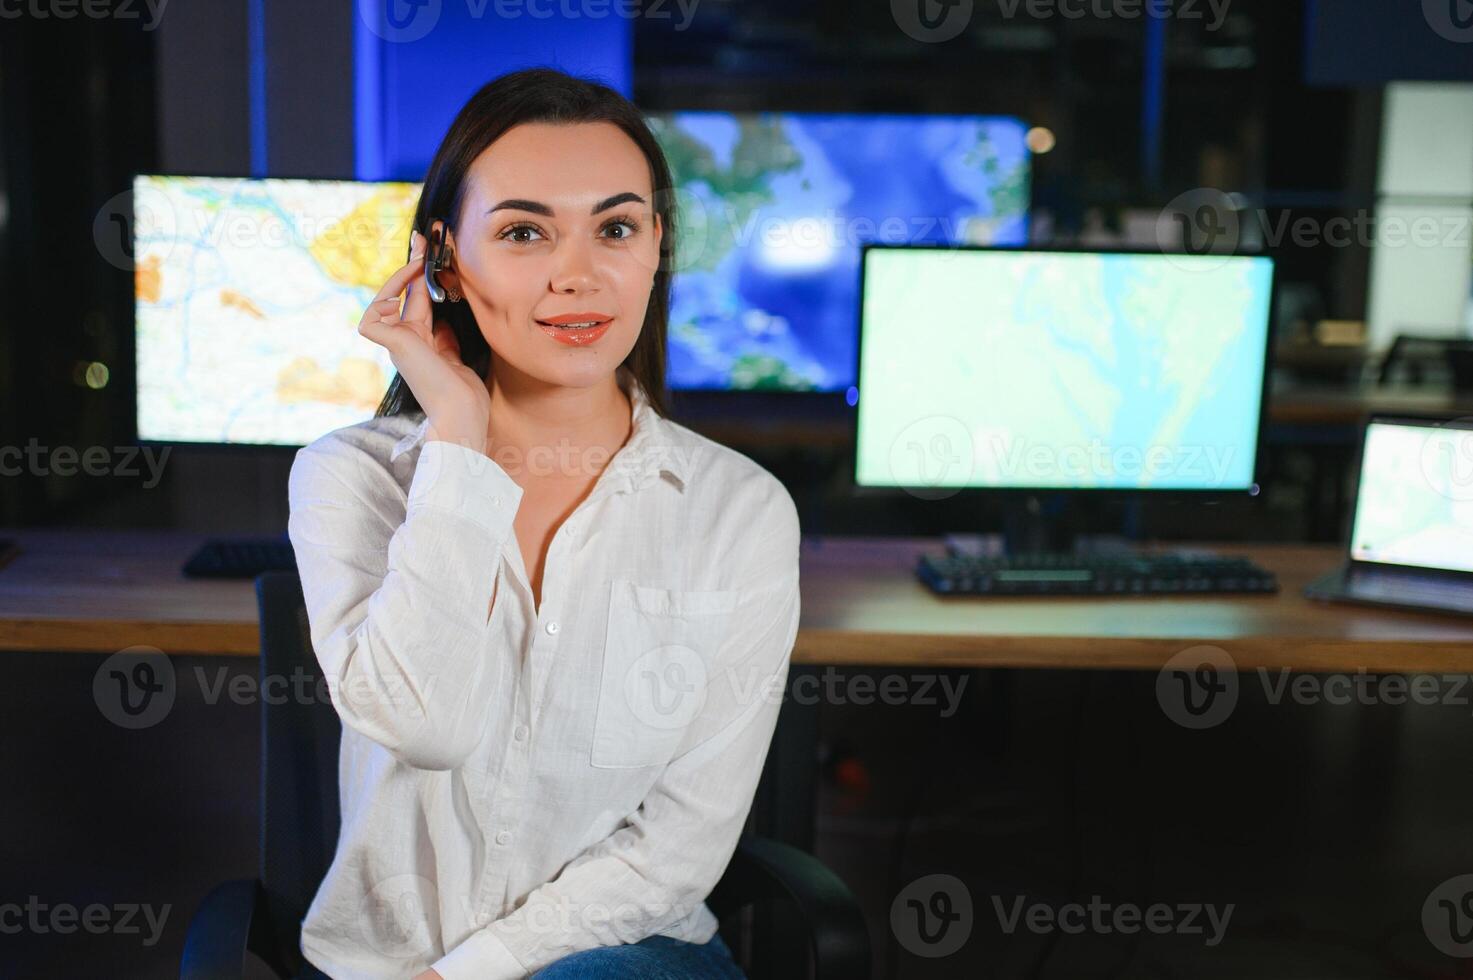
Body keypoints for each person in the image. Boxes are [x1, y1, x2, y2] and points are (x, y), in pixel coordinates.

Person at [285, 67, 801, 979]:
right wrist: (458, 437)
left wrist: (465, 976)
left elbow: (677, 848)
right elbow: (425, 727)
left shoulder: (739, 511)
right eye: (524, 232)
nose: (578, 273)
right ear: (441, 259)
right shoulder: (351, 478)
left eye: (615, 228)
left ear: (655, 249)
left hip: (624, 955)